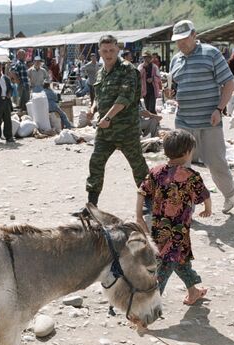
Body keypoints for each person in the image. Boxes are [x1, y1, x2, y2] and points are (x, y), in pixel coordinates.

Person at [169, 19, 234, 213]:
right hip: (183, 120)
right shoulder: (176, 59)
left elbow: (229, 83)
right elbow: (176, 86)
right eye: (177, 40)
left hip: (209, 120)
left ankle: (230, 192)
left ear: (194, 35)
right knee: (181, 164)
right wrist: (171, 94)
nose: (181, 43)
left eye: (184, 39)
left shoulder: (211, 53)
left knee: (215, 162)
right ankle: (186, 204)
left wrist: (219, 109)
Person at [136, 129, 211, 305]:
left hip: (159, 229)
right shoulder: (191, 176)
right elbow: (205, 195)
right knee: (165, 266)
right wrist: (208, 208)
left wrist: (138, 215)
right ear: (187, 153)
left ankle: (193, 291)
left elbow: (142, 190)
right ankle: (148, 306)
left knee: (180, 260)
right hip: (179, 231)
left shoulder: (156, 171)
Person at [85, 34, 149, 207]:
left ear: (117, 50)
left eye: (112, 50)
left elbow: (124, 98)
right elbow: (99, 96)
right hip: (105, 131)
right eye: (104, 50)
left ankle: (151, 202)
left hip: (126, 129)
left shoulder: (128, 69)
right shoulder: (101, 72)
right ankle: (91, 205)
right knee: (96, 162)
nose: (108, 54)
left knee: (138, 166)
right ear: (99, 51)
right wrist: (93, 109)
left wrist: (107, 117)